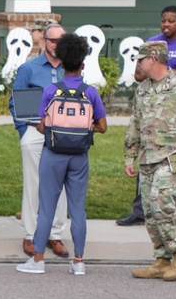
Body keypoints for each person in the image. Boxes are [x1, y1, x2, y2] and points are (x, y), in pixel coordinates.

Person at [16, 33, 107, 276]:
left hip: (53, 154)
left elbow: (44, 126)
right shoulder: (91, 93)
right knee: (77, 209)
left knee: (46, 207)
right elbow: (103, 126)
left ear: (63, 63)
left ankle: (37, 260)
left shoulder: (50, 90)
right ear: (83, 64)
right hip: (79, 156)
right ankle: (78, 262)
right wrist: (85, 127)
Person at [125, 41, 176, 281]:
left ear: (153, 59)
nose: (137, 64)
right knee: (149, 212)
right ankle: (162, 259)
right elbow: (135, 124)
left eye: (140, 59)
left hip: (172, 157)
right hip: (147, 158)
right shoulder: (143, 89)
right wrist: (129, 156)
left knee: (162, 205)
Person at [117, 6, 176, 226]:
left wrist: (158, 74)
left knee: (174, 167)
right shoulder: (152, 42)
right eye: (163, 20)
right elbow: (138, 74)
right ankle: (140, 211)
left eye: (171, 21)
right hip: (151, 110)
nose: (166, 25)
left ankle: (174, 214)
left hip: (174, 115)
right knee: (147, 163)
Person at [10, 23, 69, 258]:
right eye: (52, 40)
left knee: (61, 183)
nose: (56, 45)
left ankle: (55, 234)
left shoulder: (72, 67)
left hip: (65, 133)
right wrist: (24, 130)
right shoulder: (29, 68)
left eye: (60, 41)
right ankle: (31, 234)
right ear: (44, 41)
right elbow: (16, 101)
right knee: (34, 183)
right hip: (35, 130)